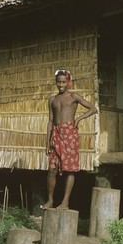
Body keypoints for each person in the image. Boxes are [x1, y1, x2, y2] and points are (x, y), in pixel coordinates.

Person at [41, 69, 97, 210]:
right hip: (56, 134)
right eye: (58, 82)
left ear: (68, 83)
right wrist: (47, 142)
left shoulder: (73, 96)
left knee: (69, 170)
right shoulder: (52, 100)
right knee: (52, 170)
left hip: (69, 134)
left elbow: (93, 108)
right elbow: (50, 121)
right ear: (56, 82)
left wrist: (78, 118)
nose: (61, 85)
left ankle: (65, 202)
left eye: (64, 82)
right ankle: (50, 200)